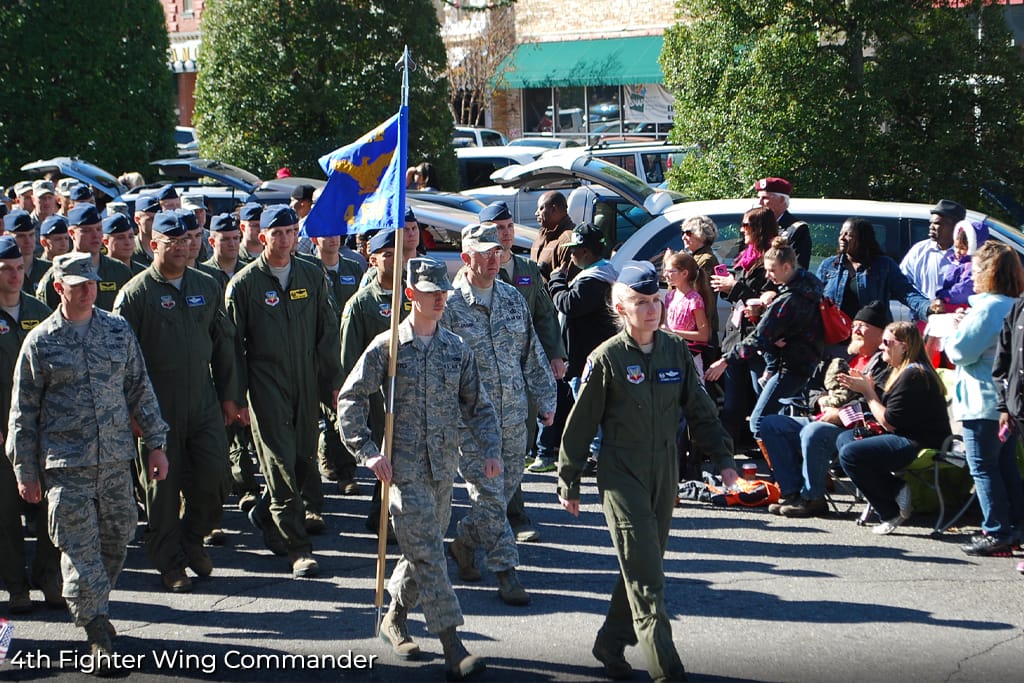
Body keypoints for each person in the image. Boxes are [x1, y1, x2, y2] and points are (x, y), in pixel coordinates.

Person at [558, 260, 737, 682]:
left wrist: (725, 461)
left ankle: (610, 641)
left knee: (644, 565)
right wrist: (569, 478)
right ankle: (666, 669)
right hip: (621, 474)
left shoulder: (675, 349)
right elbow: (581, 424)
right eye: (641, 302)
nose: (651, 309)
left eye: (656, 300)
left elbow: (701, 409)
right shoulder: (606, 359)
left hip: (664, 470)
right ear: (621, 307)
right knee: (648, 580)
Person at [6, 252, 169, 671]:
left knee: (116, 543)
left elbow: (139, 388)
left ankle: (95, 608)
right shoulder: (40, 341)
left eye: (91, 284)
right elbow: (23, 413)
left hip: (115, 462)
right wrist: (25, 469)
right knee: (80, 555)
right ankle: (97, 631)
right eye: (77, 285)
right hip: (66, 469)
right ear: (59, 287)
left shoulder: (116, 331)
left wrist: (156, 443)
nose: (86, 291)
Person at [338, 257, 498, 680]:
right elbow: (350, 399)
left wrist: (491, 450)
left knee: (420, 549)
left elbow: (478, 407)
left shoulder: (455, 349)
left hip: (442, 468)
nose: (441, 299)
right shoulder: (387, 346)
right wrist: (367, 451)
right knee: (429, 554)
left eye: (443, 291)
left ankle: (394, 616)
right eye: (431, 293)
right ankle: (453, 644)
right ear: (411, 295)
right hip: (402, 471)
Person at [113, 212, 241, 592]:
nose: (184, 248)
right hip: (155, 408)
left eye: (188, 241)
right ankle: (170, 563)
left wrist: (231, 395)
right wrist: (131, 412)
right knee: (162, 494)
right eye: (173, 243)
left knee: (217, 478)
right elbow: (118, 361)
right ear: (154, 245)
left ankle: (192, 538)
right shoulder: (135, 295)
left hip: (202, 402)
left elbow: (224, 343)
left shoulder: (207, 284)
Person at [441, 223, 557, 607]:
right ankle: (507, 571)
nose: (494, 259)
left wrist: (546, 398)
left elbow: (531, 354)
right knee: (491, 496)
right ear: (466, 257)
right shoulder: (448, 306)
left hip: (513, 419)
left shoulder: (511, 299)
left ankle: (464, 542)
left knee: (501, 494)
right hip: (471, 425)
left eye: (498, 252)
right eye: (485, 253)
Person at [225, 205, 342, 578]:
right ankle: (298, 547)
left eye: (292, 232)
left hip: (306, 382)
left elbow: (327, 333)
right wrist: (235, 395)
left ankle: (264, 512)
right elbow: (232, 347)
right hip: (265, 383)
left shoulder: (311, 273)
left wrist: (332, 385)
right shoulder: (244, 285)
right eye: (277, 233)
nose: (285, 239)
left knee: (303, 458)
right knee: (279, 463)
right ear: (262, 238)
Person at [478, 201, 566, 541]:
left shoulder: (528, 268)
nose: (506, 233)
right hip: (488, 371)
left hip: (522, 369)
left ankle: (502, 510)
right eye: (499, 228)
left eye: (509, 226)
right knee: (492, 444)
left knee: (520, 442)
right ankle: (511, 515)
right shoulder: (479, 272)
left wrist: (556, 354)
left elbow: (544, 315)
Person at [758, 301, 893, 517]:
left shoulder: (885, 364)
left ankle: (813, 498)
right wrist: (820, 399)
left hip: (855, 428)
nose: (856, 330)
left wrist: (841, 415)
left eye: (863, 326)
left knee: (814, 432)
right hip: (822, 415)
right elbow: (812, 385)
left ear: (881, 333)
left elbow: (880, 404)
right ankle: (792, 492)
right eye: (855, 325)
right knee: (771, 424)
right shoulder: (843, 356)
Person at [835, 321, 951, 535]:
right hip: (903, 434)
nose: (881, 347)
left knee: (851, 454)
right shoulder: (900, 371)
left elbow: (889, 421)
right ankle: (895, 487)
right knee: (845, 439)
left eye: (887, 343)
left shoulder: (914, 374)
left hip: (921, 440)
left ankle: (890, 510)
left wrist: (868, 391)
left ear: (904, 346)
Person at [946, 242, 1024, 556]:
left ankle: (996, 531)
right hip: (1005, 401)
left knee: (982, 468)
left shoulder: (989, 306)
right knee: (1005, 466)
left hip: (982, 400)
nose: (971, 276)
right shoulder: (1012, 303)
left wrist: (957, 328)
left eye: (976, 270)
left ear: (989, 272)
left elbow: (960, 351)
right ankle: (1016, 525)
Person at [706, 237, 824, 440]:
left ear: (786, 267)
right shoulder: (811, 285)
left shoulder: (788, 300)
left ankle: (800, 448)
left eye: (772, 270)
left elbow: (760, 337)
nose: (769, 276)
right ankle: (802, 444)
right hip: (806, 362)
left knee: (759, 422)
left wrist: (725, 360)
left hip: (791, 365)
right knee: (777, 416)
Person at [0, 236, 62, 613]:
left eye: (19, 267)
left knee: (49, 508)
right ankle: (16, 585)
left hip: (43, 429)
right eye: (6, 269)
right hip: (3, 432)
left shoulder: (40, 312)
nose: (15, 275)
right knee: (6, 513)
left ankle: (48, 576)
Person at [339, 229, 412, 538]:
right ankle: (384, 517)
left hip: (409, 391)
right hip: (377, 395)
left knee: (402, 454)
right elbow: (349, 359)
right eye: (389, 255)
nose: (397, 261)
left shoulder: (411, 295)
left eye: (400, 254)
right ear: (373, 259)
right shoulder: (361, 304)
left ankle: (382, 512)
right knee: (386, 453)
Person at [541, 223, 618, 473]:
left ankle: (598, 455)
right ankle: (598, 452)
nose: (571, 255)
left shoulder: (594, 280)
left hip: (588, 357)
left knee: (589, 408)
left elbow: (568, 304)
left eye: (574, 250)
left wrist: (556, 281)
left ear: (585, 251)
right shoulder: (596, 275)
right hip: (586, 355)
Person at [707, 206, 778, 449]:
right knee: (732, 405)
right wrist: (728, 288)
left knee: (763, 400)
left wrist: (735, 286)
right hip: (735, 337)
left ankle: (776, 455)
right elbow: (738, 297)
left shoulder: (772, 259)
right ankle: (725, 458)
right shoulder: (745, 255)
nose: (741, 230)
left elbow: (767, 299)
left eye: (746, 225)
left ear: (759, 228)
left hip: (758, 341)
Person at [818, 217, 931, 323]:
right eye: (841, 234)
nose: (842, 238)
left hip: (870, 336)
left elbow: (906, 292)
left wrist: (927, 308)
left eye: (848, 235)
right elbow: (814, 298)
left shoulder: (883, 265)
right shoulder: (828, 265)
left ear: (862, 238)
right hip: (836, 337)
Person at [35, 205, 133, 311]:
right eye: (87, 231)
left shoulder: (120, 271)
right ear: (71, 233)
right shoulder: (57, 275)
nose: (95, 235)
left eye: (99, 229)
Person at [662, 249, 714, 379]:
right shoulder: (670, 296)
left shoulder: (694, 299)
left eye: (671, 272)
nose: (666, 275)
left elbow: (703, 335)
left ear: (684, 273)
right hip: (671, 352)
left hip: (689, 355)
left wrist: (673, 331)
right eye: (665, 271)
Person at [900, 199, 963, 299]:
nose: (931, 227)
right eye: (931, 223)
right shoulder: (919, 250)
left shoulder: (967, 254)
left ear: (955, 227)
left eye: (937, 223)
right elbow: (902, 283)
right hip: (923, 313)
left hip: (957, 313)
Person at [679, 215, 721, 349]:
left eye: (688, 233)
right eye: (683, 233)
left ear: (701, 235)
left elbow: (692, 292)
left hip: (699, 328)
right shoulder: (695, 257)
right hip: (692, 326)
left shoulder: (705, 260)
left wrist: (676, 267)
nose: (683, 237)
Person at [932, 219, 989, 313]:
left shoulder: (971, 266)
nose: (957, 251)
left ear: (974, 247)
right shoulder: (957, 263)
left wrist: (944, 296)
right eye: (956, 247)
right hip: (951, 302)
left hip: (960, 306)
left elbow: (964, 289)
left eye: (962, 248)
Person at [754, 177, 810, 270]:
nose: (760, 203)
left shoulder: (797, 230)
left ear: (782, 200)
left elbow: (796, 270)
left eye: (765, 198)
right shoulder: (756, 226)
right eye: (759, 197)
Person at [530, 190, 575, 281]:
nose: (536, 213)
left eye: (541, 208)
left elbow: (571, 285)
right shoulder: (540, 237)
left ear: (554, 209)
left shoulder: (569, 241)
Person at [4, 209, 50, 295]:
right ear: (7, 236)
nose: (28, 241)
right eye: (21, 236)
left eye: (31, 235)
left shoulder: (48, 269)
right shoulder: (3, 273)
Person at [131, 193, 160, 270]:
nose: (155, 223)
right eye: (150, 219)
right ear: (137, 220)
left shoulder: (167, 248)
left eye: (158, 218)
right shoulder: (129, 250)